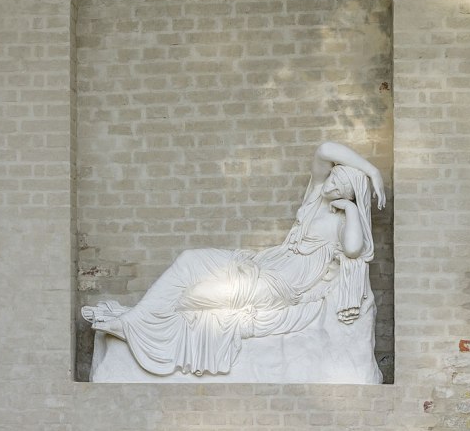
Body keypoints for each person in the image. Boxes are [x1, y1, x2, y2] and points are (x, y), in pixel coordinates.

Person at [82, 142, 385, 377]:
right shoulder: (315, 196)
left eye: (341, 186)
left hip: (276, 286)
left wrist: (352, 209)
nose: (331, 186)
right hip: (257, 263)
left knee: (195, 297)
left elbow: (355, 249)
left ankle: (136, 328)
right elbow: (324, 150)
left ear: (351, 195)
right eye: (333, 178)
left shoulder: (345, 222)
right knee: (189, 259)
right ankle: (135, 322)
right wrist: (372, 170)